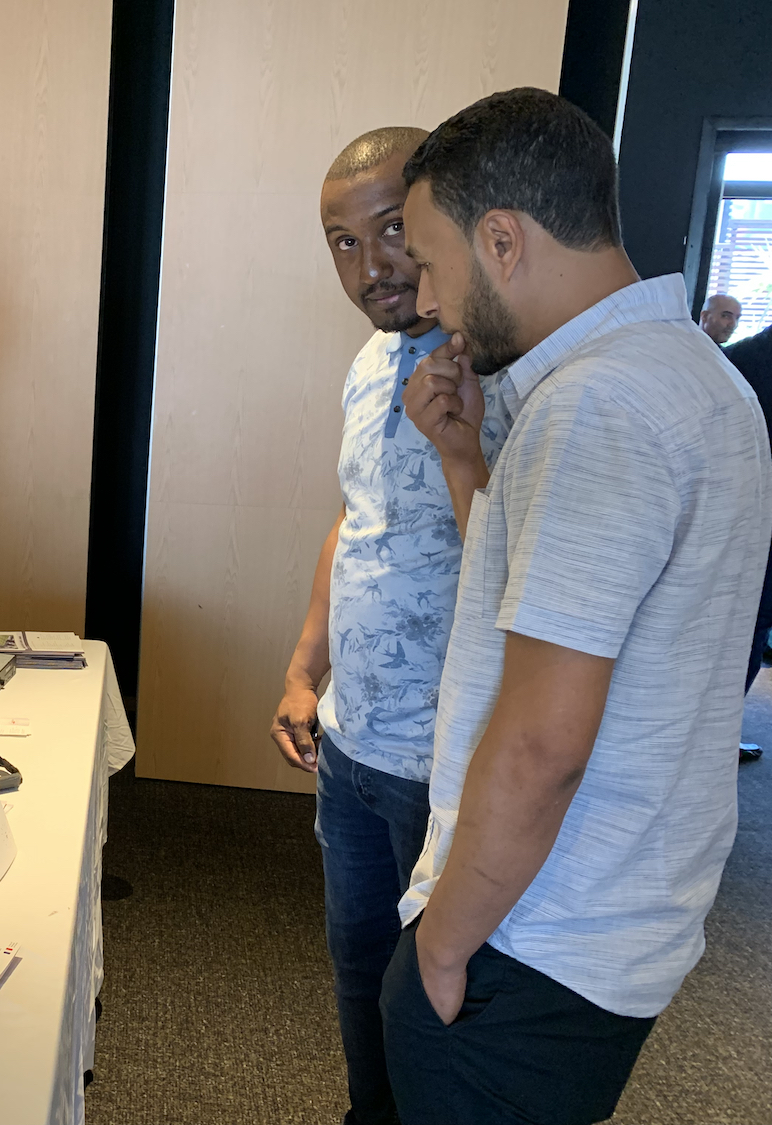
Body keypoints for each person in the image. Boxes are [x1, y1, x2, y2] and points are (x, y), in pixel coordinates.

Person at [388, 87, 771, 1125]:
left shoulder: (595, 407)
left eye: (431, 262)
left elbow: (542, 745)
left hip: (531, 935)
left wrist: (442, 945)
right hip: (612, 917)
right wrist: (466, 464)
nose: (426, 299)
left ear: (502, 240)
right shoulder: (700, 377)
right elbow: (562, 608)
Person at [270, 126, 506, 1125]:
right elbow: (354, 520)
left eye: (393, 229)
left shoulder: (503, 369)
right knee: (359, 967)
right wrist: (303, 670)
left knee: (439, 1002)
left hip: (443, 761)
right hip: (353, 743)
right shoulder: (370, 364)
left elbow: (518, 569)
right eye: (343, 242)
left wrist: (461, 454)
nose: (373, 266)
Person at [725, 320, 772, 760]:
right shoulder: (741, 361)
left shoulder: (734, 361)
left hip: (735, 519)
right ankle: (718, 738)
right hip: (755, 526)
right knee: (749, 631)